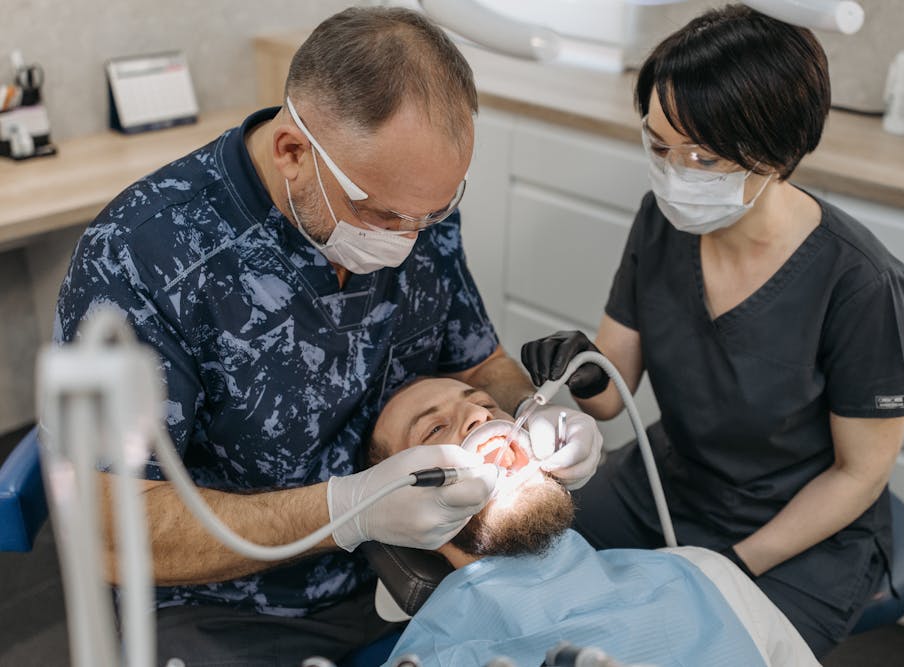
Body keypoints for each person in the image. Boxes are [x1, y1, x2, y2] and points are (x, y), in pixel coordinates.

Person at [54, 7, 601, 665]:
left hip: (413, 568)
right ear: (293, 151)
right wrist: (347, 510)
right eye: (385, 216)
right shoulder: (141, 258)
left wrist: (535, 415)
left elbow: (478, 364)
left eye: (435, 213)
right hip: (227, 606)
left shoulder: (413, 205)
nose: (409, 240)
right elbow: (111, 532)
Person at [521, 5, 904, 657]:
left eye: (702, 157)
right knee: (525, 571)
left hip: (797, 532)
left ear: (777, 156)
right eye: (658, 146)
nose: (673, 173)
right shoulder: (661, 222)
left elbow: (859, 475)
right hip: (667, 484)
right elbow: (612, 396)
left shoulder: (861, 283)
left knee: (692, 648)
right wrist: (584, 369)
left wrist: (731, 565)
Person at [365, 377, 819, 667]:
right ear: (407, 513)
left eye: (485, 403)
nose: (480, 416)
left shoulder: (701, 573)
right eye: (434, 429)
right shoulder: (432, 659)